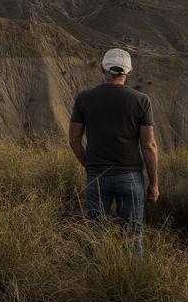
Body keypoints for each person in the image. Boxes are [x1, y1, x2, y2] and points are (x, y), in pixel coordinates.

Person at [68, 48, 159, 255]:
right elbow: (148, 146)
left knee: (95, 234)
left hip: (97, 177)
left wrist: (90, 165)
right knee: (132, 236)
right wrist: (153, 183)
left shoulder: (84, 99)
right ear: (129, 72)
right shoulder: (141, 100)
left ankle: (94, 282)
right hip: (130, 177)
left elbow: (74, 139)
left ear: (102, 69)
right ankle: (132, 282)